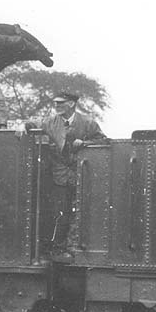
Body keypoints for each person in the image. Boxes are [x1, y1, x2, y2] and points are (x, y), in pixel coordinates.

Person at [40, 90, 107, 263]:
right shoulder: (50, 122)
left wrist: (85, 143)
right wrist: (21, 127)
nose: (56, 106)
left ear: (71, 104)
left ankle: (78, 248)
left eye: (60, 103)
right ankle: (58, 249)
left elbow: (103, 141)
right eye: (55, 103)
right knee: (60, 212)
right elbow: (33, 124)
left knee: (82, 212)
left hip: (82, 174)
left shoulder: (88, 123)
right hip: (60, 175)